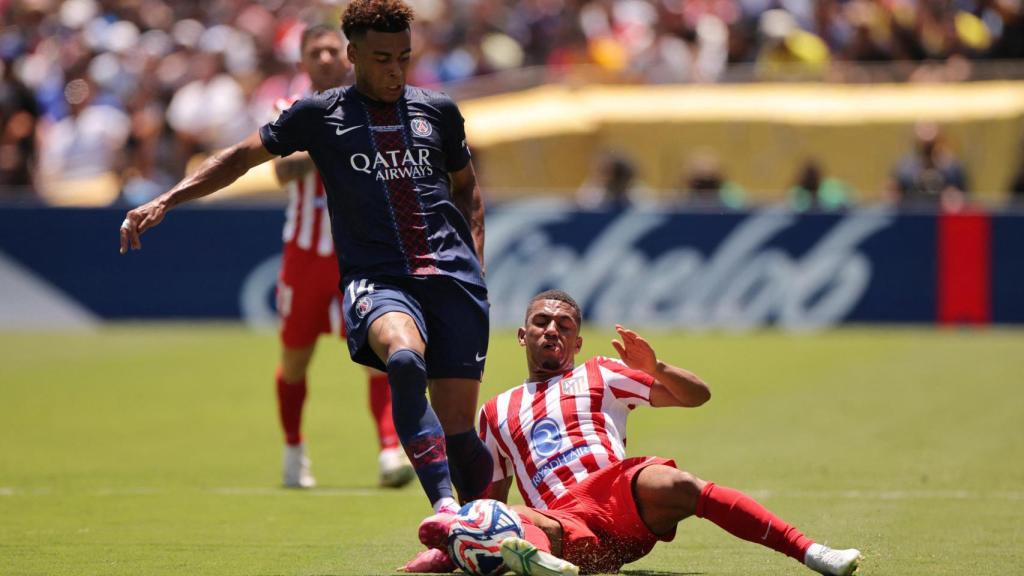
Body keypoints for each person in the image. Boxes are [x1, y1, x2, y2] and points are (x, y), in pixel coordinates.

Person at [119, 0, 494, 518]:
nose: (394, 70)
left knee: (459, 434)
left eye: (403, 57)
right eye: (382, 57)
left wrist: (476, 264)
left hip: (452, 278)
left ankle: (484, 531)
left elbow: (468, 191)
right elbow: (239, 158)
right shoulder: (321, 114)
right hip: (380, 278)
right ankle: (446, 511)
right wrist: (167, 198)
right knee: (403, 360)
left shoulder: (438, 110)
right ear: (353, 54)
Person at [407, 289, 861, 576]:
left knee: (679, 484)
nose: (553, 331)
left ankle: (811, 552)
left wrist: (656, 367)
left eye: (565, 326)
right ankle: (538, 559)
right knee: (503, 518)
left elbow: (696, 396)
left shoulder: (602, 372)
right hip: (563, 521)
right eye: (542, 323)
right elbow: (491, 499)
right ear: (522, 336)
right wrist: (465, 535)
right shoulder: (495, 411)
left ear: (578, 343)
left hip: (618, 493)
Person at [269, 23, 413, 490]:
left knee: (380, 351)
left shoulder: (372, 105)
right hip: (306, 255)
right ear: (303, 62)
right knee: (295, 358)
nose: (327, 58)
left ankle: (389, 448)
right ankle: (294, 450)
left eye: (334, 50)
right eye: (317, 51)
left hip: (361, 250)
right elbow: (283, 170)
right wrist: (329, 138)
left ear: (348, 55)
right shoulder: (290, 110)